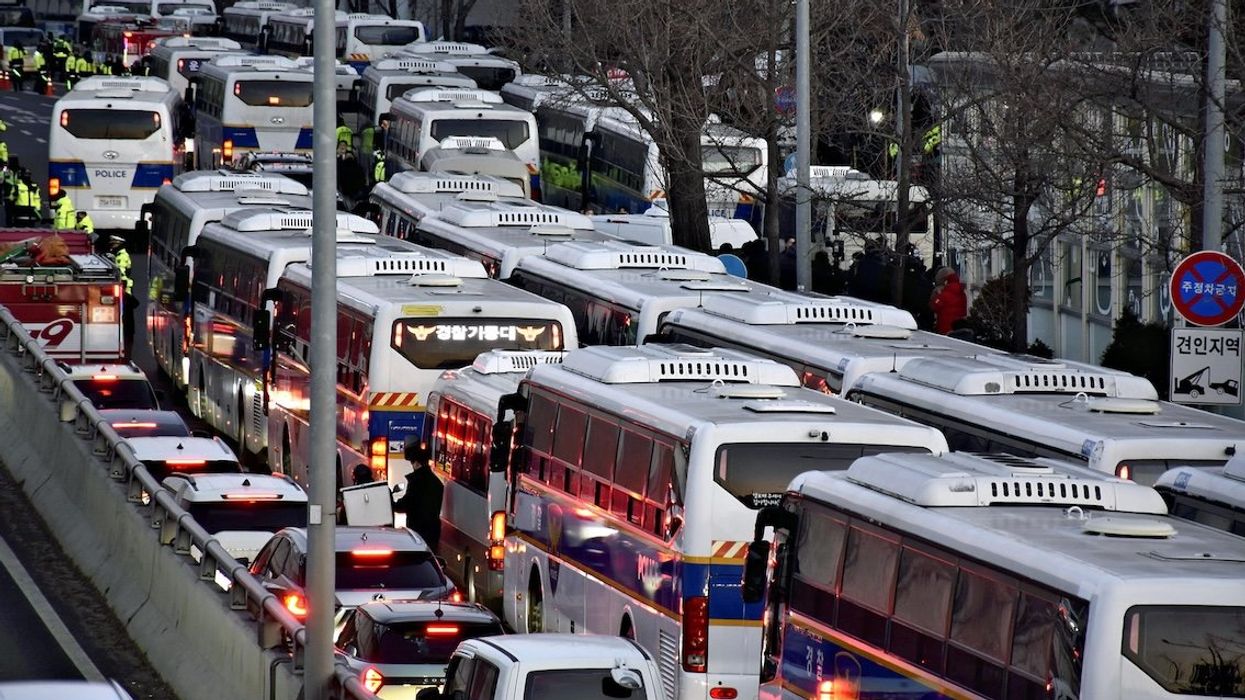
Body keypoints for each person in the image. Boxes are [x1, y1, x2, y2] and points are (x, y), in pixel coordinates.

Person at [393, 439, 443, 551]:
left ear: (416, 463)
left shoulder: (416, 482)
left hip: (418, 531)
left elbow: (406, 504)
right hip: (433, 531)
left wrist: (392, 504)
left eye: (412, 463)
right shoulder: (437, 483)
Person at [930, 266, 968, 334]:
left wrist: (937, 296)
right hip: (958, 327)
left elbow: (934, 306)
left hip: (945, 327)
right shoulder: (962, 292)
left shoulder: (943, 295)